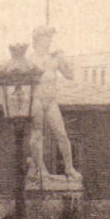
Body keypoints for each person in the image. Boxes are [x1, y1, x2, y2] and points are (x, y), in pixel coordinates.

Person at [29, 26, 80, 182]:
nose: (49, 40)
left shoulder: (54, 59)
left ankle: (69, 167)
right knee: (37, 134)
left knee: (62, 134)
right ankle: (40, 168)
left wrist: (64, 59)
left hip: (51, 100)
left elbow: (70, 75)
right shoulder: (30, 59)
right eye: (46, 37)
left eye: (50, 37)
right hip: (36, 99)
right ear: (38, 39)